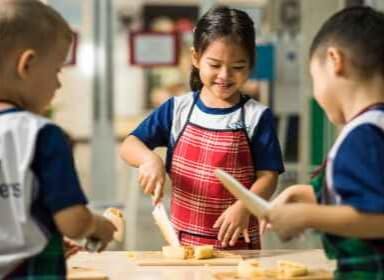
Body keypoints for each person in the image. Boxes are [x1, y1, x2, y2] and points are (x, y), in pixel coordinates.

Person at [120, 6, 284, 250]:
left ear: (250, 65)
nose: (225, 75)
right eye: (215, 65)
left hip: (238, 242)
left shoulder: (257, 117)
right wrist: (149, 159)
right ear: (196, 58)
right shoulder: (178, 109)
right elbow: (130, 144)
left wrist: (245, 206)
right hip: (183, 242)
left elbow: (268, 176)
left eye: (237, 67)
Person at [264, 6, 384, 279]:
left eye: (315, 79)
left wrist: (307, 216)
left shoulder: (361, 136)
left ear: (335, 60)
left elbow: (378, 216)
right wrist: (306, 193)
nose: (316, 92)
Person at [0, 1, 116, 278]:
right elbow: (74, 222)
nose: (58, 84)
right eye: (56, 71)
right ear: (27, 65)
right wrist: (100, 226)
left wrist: (46, 232)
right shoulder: (41, 135)